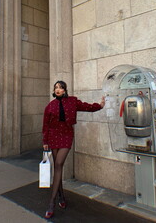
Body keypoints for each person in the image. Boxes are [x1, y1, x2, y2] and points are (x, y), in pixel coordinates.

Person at [42, 80, 105, 219]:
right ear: (54, 91)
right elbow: (45, 125)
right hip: (53, 136)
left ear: (65, 90)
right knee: (57, 168)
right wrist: (45, 141)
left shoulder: (72, 101)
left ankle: (51, 203)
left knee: (58, 164)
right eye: (56, 87)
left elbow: (86, 107)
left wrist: (99, 106)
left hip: (66, 136)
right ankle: (61, 197)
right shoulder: (50, 106)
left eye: (61, 87)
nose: (58, 89)